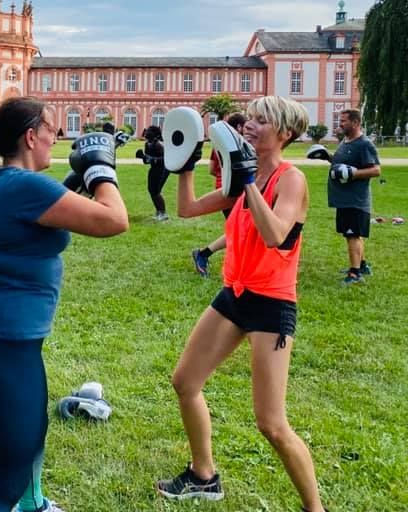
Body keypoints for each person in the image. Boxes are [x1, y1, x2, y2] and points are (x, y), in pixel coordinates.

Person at [156, 96, 327, 512]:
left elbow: (275, 234)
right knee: (185, 382)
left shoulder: (290, 179)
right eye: (249, 118)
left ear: (285, 133)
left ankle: (315, 508)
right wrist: (184, 164)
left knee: (271, 423)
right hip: (234, 295)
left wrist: (248, 181)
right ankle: (204, 476)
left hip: (271, 305)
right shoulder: (240, 176)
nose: (249, 125)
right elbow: (187, 209)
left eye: (261, 120)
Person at [0, 96, 129, 511]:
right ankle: (20, 499)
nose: (58, 137)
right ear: (32, 136)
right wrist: (101, 170)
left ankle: (33, 505)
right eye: (53, 130)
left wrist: (77, 179)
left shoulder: (12, 182)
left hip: (4, 336)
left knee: (31, 429)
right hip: (5, 340)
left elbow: (50, 211)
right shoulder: (24, 187)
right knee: (4, 481)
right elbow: (114, 220)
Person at [329, 109, 381, 284]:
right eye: (340, 120)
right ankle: (362, 265)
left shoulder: (364, 144)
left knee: (353, 235)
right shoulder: (345, 141)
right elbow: (342, 165)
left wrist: (353, 173)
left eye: (344, 121)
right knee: (351, 234)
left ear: (356, 123)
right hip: (344, 198)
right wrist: (327, 157)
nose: (340, 123)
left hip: (356, 199)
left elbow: (376, 170)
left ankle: (355, 273)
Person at [191, 113, 246, 276]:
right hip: (235, 192)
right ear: (239, 127)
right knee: (242, 230)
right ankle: (203, 254)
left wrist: (223, 177)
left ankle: (204, 254)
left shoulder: (219, 145)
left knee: (241, 229)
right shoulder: (241, 145)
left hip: (223, 189)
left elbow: (211, 169)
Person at [139, 125, 170, 221]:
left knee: (156, 191)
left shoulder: (159, 145)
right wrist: (142, 157)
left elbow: (166, 159)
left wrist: (151, 159)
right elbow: (147, 161)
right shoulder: (147, 144)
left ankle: (163, 213)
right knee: (151, 190)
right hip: (154, 168)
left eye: (149, 131)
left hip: (163, 169)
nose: (146, 132)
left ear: (154, 134)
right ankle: (159, 211)